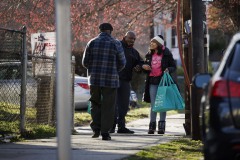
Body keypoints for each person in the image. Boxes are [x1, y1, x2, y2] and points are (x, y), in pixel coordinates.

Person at [82, 23, 126, 140]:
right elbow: (122, 62)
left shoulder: (92, 42)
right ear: (110, 31)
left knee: (95, 103)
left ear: (99, 30)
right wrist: (114, 70)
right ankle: (105, 132)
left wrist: (93, 69)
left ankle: (96, 129)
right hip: (111, 80)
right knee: (109, 106)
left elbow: (85, 62)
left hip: (94, 79)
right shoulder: (116, 43)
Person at [110, 31, 143, 134]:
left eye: (133, 39)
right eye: (130, 38)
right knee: (113, 104)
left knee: (124, 105)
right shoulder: (116, 46)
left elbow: (140, 62)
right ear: (124, 37)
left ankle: (121, 127)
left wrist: (139, 67)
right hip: (114, 79)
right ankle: (111, 126)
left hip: (125, 81)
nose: (132, 40)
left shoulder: (134, 52)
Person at [142, 35, 176, 134]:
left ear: (159, 44)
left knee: (162, 104)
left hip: (163, 82)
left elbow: (173, 66)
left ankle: (161, 126)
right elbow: (144, 67)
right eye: (151, 42)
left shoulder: (166, 53)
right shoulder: (149, 54)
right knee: (153, 105)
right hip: (152, 81)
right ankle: (152, 126)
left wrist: (168, 69)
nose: (151, 44)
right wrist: (144, 67)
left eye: (153, 42)